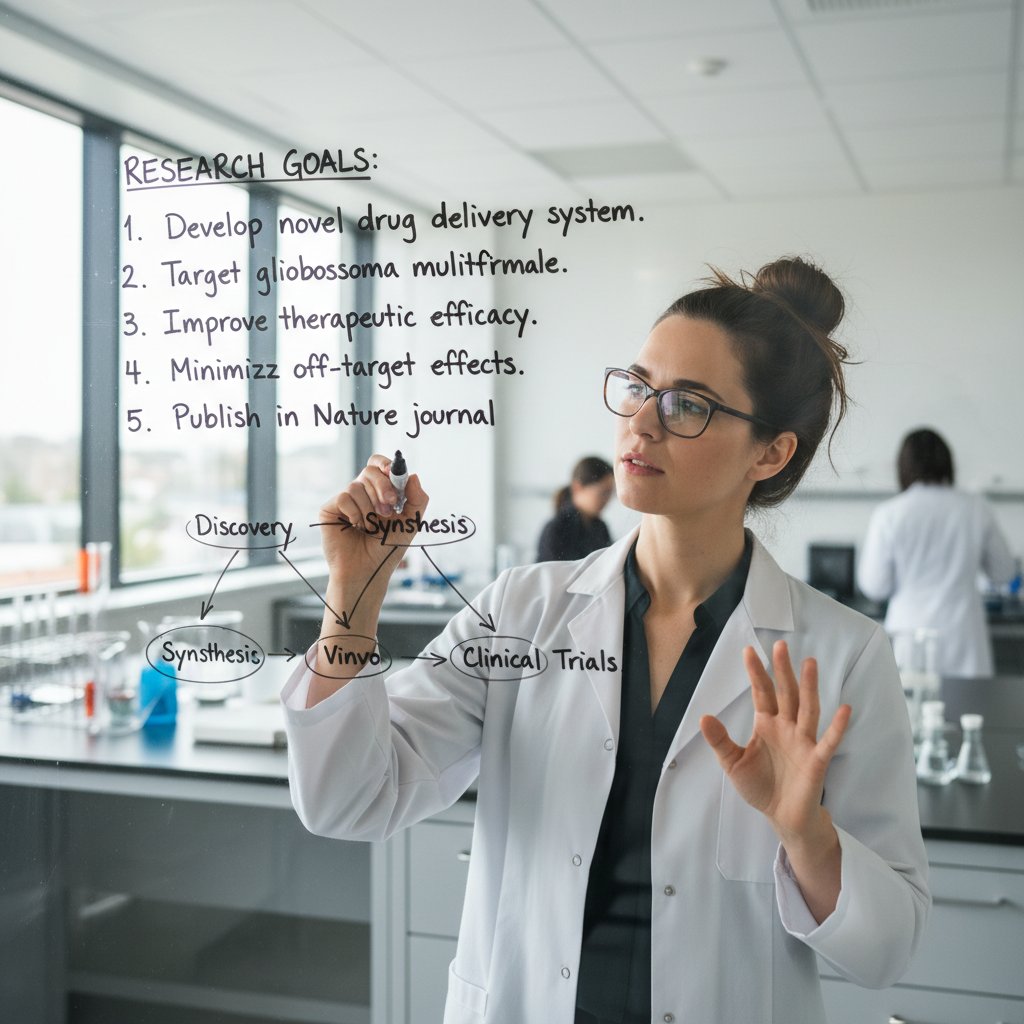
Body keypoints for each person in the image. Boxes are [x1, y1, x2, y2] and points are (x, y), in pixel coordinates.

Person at [282, 256, 929, 1024]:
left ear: (770, 452)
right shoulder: (522, 610)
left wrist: (808, 835)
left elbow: (889, 950)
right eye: (637, 386)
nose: (641, 422)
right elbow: (349, 801)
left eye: (687, 404)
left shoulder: (843, 655)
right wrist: (354, 598)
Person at [857, 428, 1015, 677]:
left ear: (903, 466)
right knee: (971, 713)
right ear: (948, 463)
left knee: (913, 712)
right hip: (964, 639)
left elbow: (874, 586)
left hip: (911, 637)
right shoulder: (976, 508)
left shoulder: (889, 514)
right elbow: (1004, 573)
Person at [536, 456, 615, 562]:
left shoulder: (601, 528)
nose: (607, 500)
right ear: (578, 487)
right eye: (603, 493)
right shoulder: (556, 529)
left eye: (610, 494)